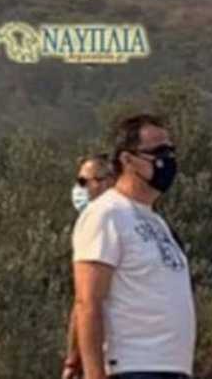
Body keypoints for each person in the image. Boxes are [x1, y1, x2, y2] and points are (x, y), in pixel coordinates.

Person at [72, 114, 195, 379]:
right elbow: (87, 301)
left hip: (172, 369)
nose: (168, 160)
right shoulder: (106, 213)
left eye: (170, 151)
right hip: (132, 367)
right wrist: (93, 373)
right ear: (127, 159)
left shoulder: (157, 222)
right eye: (158, 152)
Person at [64, 154, 116, 379]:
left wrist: (73, 361)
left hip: (113, 360)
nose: (79, 189)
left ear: (107, 182)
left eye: (84, 182)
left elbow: (85, 302)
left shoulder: (99, 221)